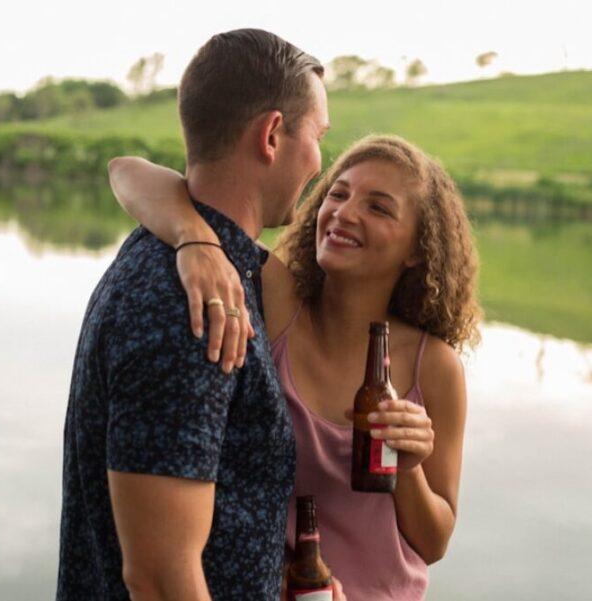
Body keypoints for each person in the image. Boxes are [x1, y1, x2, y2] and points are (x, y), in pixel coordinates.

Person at [108, 134, 481, 599]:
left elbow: (435, 541)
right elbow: (126, 171)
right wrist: (195, 241)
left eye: (379, 208)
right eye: (337, 194)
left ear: (417, 250)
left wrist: (407, 470)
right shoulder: (278, 302)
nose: (344, 213)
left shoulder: (435, 367)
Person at [56, 29, 347, 601]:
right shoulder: (190, 307)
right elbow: (161, 579)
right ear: (271, 135)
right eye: (317, 135)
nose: (321, 160)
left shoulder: (204, 264)